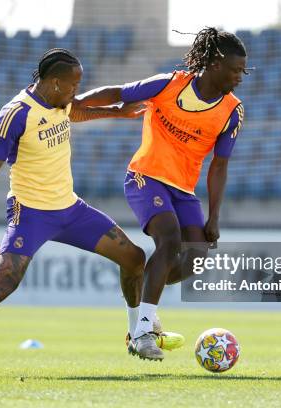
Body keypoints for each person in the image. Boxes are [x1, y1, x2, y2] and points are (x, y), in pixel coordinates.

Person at [0, 48, 180, 376]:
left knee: (133, 258)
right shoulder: (16, 114)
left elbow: (74, 113)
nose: (79, 91)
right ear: (55, 82)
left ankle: (136, 335)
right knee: (0, 286)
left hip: (70, 209)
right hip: (30, 213)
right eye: (74, 85)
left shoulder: (60, 102)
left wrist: (118, 112)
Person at [74, 28, 248, 360]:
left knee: (195, 259)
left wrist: (214, 216)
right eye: (235, 69)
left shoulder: (232, 111)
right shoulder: (170, 84)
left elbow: (219, 165)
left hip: (183, 190)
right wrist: (78, 102)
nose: (240, 77)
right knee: (168, 241)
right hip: (145, 177)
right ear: (213, 63)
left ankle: (140, 279)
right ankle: (142, 332)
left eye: (243, 71)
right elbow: (118, 91)